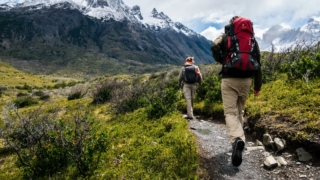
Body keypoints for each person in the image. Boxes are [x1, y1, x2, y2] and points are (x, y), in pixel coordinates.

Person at [211, 16, 262, 167]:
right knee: (240, 111)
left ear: (232, 24)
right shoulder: (251, 39)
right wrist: (257, 86)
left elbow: (214, 46)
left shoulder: (227, 36)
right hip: (247, 80)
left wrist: (222, 60)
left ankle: (237, 140)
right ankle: (240, 140)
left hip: (229, 79)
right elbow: (258, 61)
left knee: (230, 113)